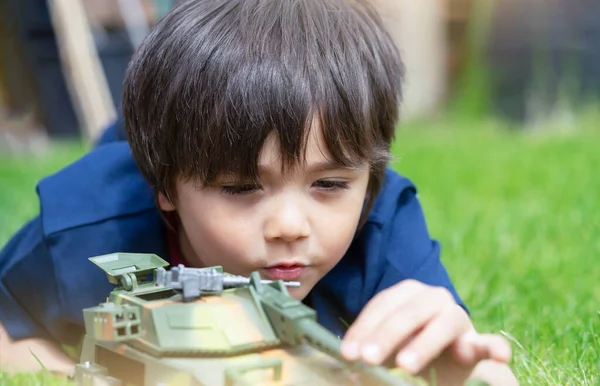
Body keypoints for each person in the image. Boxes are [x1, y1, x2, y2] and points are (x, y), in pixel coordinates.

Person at [0, 0, 517, 384]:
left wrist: (455, 358)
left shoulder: (379, 229)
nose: (291, 226)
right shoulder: (85, 232)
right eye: (243, 187)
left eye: (330, 183)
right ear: (166, 189)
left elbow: (462, 355)